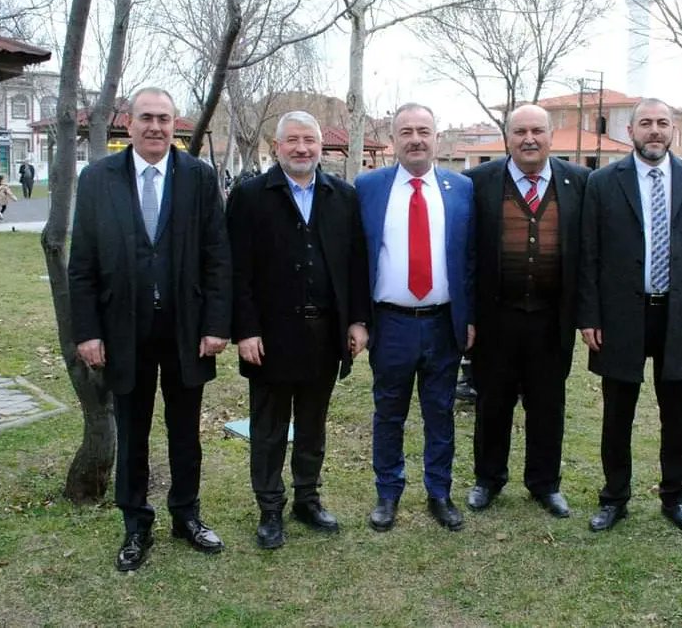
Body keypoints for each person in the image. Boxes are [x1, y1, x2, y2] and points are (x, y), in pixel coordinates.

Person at [68, 87, 233, 572]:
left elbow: (217, 258)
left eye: (164, 118)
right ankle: (136, 524)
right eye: (146, 118)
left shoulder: (199, 179)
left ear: (175, 124)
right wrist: (88, 332)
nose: (155, 127)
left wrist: (216, 324)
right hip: (124, 332)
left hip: (186, 331)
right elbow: (82, 265)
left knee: (186, 433)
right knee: (133, 432)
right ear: (129, 123)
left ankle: (187, 515)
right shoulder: (98, 179)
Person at [577, 98, 682, 536]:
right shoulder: (603, 183)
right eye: (646, 123)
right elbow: (589, 255)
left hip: (680, 315)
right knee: (617, 413)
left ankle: (675, 499)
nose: (654, 131)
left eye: (663, 123)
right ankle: (613, 498)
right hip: (621, 317)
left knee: (677, 415)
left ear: (674, 131)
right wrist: (589, 316)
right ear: (631, 131)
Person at [226, 111, 370, 550]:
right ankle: (270, 508)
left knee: (312, 425)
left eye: (309, 140)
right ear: (277, 144)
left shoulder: (342, 196)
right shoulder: (250, 196)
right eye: (293, 140)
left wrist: (358, 321)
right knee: (269, 429)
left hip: (324, 335)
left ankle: (307, 498)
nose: (302, 148)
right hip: (269, 337)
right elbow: (236, 271)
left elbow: (356, 264)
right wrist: (245, 330)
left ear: (320, 145)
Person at [464, 104, 589, 518]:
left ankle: (544, 483)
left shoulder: (580, 182)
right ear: (507, 137)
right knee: (492, 402)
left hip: (553, 318)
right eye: (520, 132)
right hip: (496, 317)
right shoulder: (478, 182)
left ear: (552, 136)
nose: (529, 139)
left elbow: (589, 256)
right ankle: (488, 479)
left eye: (537, 131)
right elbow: (465, 254)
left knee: (548, 404)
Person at [355, 102, 475, 532]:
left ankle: (439, 492)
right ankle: (387, 494)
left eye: (423, 130)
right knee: (389, 411)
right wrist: (358, 319)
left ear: (436, 138)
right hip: (391, 323)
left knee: (439, 410)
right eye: (406, 131)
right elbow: (356, 258)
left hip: (444, 321)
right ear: (393, 140)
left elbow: (471, 260)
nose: (416, 139)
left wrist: (470, 317)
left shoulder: (461, 189)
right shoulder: (368, 188)